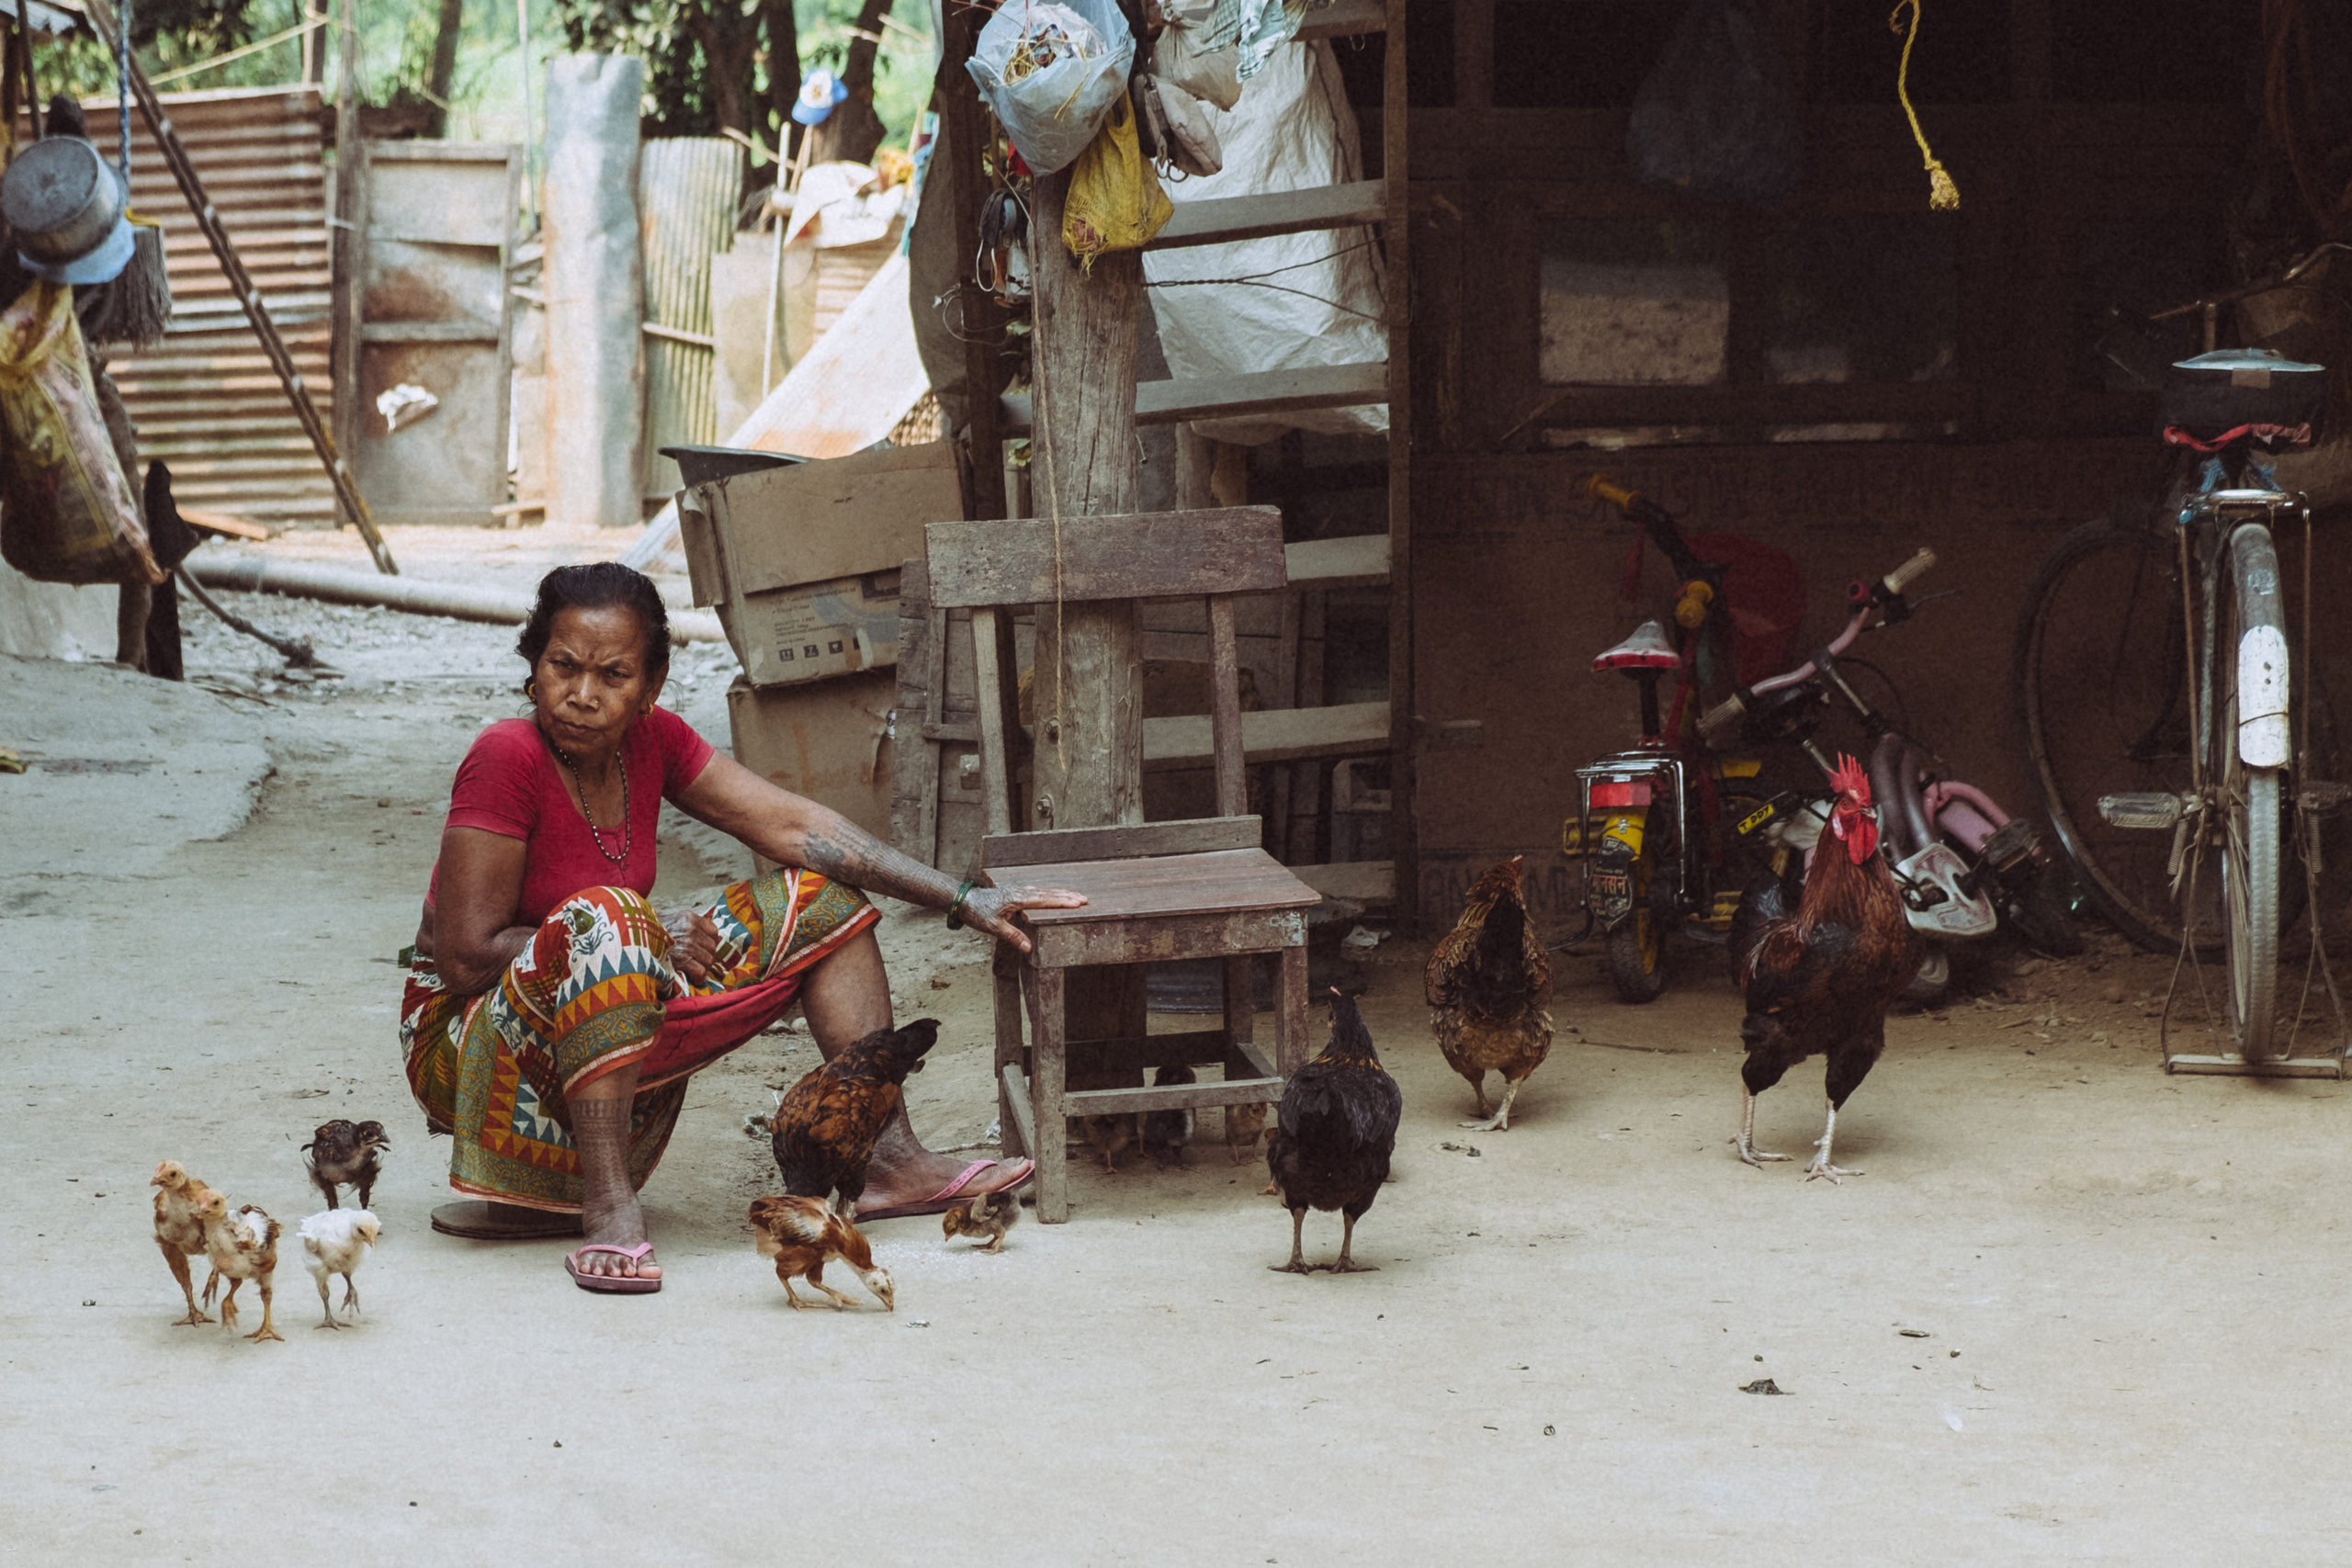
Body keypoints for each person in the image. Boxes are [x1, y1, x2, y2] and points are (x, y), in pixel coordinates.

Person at [398, 563, 1083, 1292]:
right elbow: (466, 960)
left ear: (650, 688)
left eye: (614, 675)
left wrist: (963, 897)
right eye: (562, 665)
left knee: (819, 897)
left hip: (600, 1013)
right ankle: (607, 1204)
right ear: (534, 666)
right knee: (613, 915)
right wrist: (644, 933)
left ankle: (887, 1161)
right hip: (471, 1047)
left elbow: (799, 828)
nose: (583, 694)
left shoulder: (651, 741)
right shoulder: (506, 754)